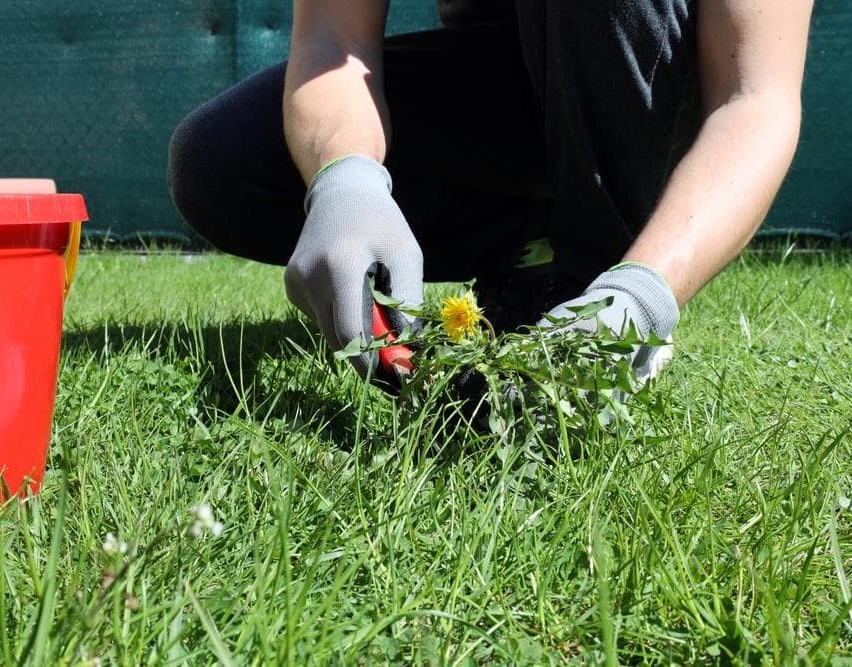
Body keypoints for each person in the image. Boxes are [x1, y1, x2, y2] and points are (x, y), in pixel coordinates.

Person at [168, 0, 814, 388]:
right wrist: (345, 180)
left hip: (656, 98)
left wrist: (648, 288)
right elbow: (333, 40)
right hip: (507, 93)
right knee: (223, 161)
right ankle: (526, 249)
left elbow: (755, 98)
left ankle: (597, 282)